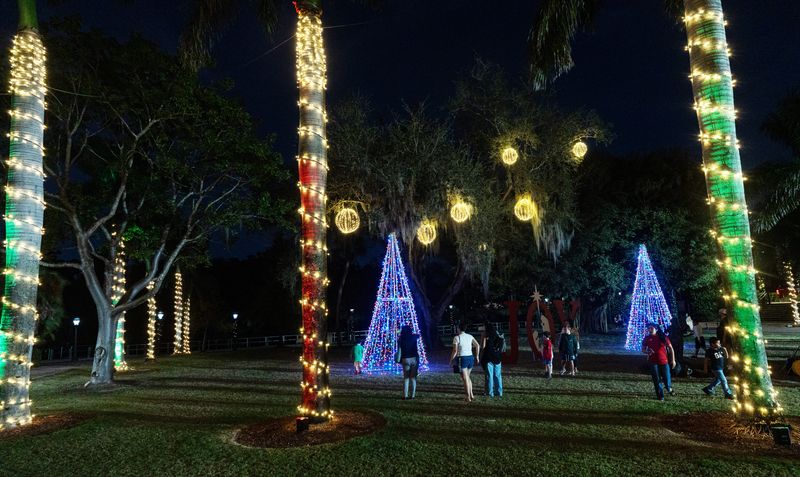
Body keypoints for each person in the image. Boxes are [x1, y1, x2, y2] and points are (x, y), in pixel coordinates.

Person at [641, 323, 676, 401]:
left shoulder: (663, 337)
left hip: (664, 361)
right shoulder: (647, 338)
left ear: (656, 329)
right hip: (653, 362)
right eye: (648, 328)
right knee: (656, 380)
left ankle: (669, 388)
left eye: (651, 328)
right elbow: (643, 349)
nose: (649, 330)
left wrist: (673, 360)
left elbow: (671, 348)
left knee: (667, 378)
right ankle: (660, 396)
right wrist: (647, 352)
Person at [450, 321, 480, 402]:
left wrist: (451, 360)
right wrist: (477, 356)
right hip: (470, 358)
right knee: (468, 377)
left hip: (462, 359)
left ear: (459, 328)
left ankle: (468, 397)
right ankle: (471, 395)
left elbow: (455, 351)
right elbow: (477, 345)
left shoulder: (457, 338)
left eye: (457, 328)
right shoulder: (470, 336)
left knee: (465, 379)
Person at [480, 322, 504, 397]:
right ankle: (499, 392)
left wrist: (480, 356)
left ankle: (490, 393)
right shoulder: (496, 334)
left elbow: (483, 347)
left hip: (488, 357)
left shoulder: (485, 334)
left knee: (489, 376)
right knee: (498, 375)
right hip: (497, 357)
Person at [398, 325, 420, 400]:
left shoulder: (401, 339)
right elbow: (419, 335)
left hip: (405, 359)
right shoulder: (414, 337)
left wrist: (398, 359)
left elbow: (399, 350)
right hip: (414, 358)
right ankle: (413, 395)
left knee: (406, 378)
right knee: (413, 378)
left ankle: (405, 395)